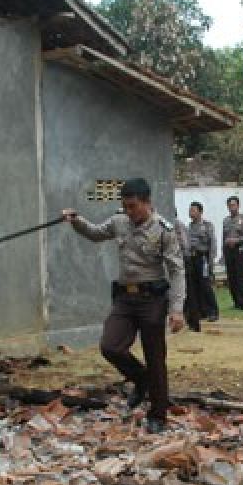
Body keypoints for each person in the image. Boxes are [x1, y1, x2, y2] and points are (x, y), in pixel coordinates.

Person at [62, 178, 185, 433]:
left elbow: (176, 271)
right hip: (125, 299)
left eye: (133, 206)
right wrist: (76, 220)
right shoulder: (119, 222)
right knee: (110, 346)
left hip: (152, 299)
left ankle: (158, 414)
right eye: (125, 206)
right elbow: (95, 233)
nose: (129, 212)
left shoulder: (164, 230)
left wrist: (176, 309)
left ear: (147, 203)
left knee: (155, 357)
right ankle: (141, 381)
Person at [184, 202, 220, 322]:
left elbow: (212, 243)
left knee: (205, 285)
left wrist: (211, 261)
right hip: (192, 259)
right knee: (194, 285)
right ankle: (201, 311)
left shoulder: (207, 225)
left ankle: (213, 311)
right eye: (190, 210)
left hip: (203, 258)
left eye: (193, 210)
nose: (191, 212)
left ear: (200, 212)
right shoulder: (189, 226)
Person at [222, 196, 243, 310]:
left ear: (238, 206)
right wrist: (223, 252)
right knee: (231, 278)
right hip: (228, 251)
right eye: (229, 205)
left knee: (241, 277)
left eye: (234, 205)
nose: (231, 207)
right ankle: (235, 302)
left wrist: (237, 240)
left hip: (239, 250)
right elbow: (223, 237)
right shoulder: (226, 220)